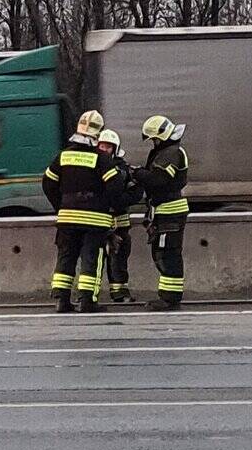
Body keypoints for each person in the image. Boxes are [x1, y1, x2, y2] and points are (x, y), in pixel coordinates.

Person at [42, 109, 124, 314]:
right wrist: (106, 205)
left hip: (67, 217)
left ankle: (62, 300)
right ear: (98, 133)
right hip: (94, 219)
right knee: (91, 257)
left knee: (66, 256)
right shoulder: (101, 159)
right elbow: (115, 186)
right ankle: (87, 301)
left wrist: (61, 205)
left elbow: (48, 183)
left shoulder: (63, 156)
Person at [138, 115, 189, 310]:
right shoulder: (169, 151)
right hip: (164, 212)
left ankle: (169, 298)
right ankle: (169, 296)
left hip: (170, 212)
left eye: (154, 139)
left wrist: (137, 174)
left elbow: (159, 179)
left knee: (167, 254)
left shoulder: (171, 153)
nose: (154, 143)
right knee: (163, 253)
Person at [97, 129, 142, 303]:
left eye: (108, 147)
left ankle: (120, 292)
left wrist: (122, 201)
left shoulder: (123, 169)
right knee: (94, 258)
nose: (104, 149)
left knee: (119, 258)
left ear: (115, 149)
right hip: (98, 222)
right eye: (101, 146)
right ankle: (88, 294)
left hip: (120, 222)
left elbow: (136, 190)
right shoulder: (93, 167)